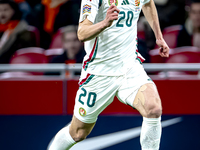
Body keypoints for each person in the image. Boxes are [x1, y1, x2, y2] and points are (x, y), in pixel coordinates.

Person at [48, 0, 169, 150]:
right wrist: (104, 22)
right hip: (99, 73)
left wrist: (159, 36)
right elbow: (82, 33)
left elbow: (148, 3)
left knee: (153, 108)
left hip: (130, 67)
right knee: (78, 132)